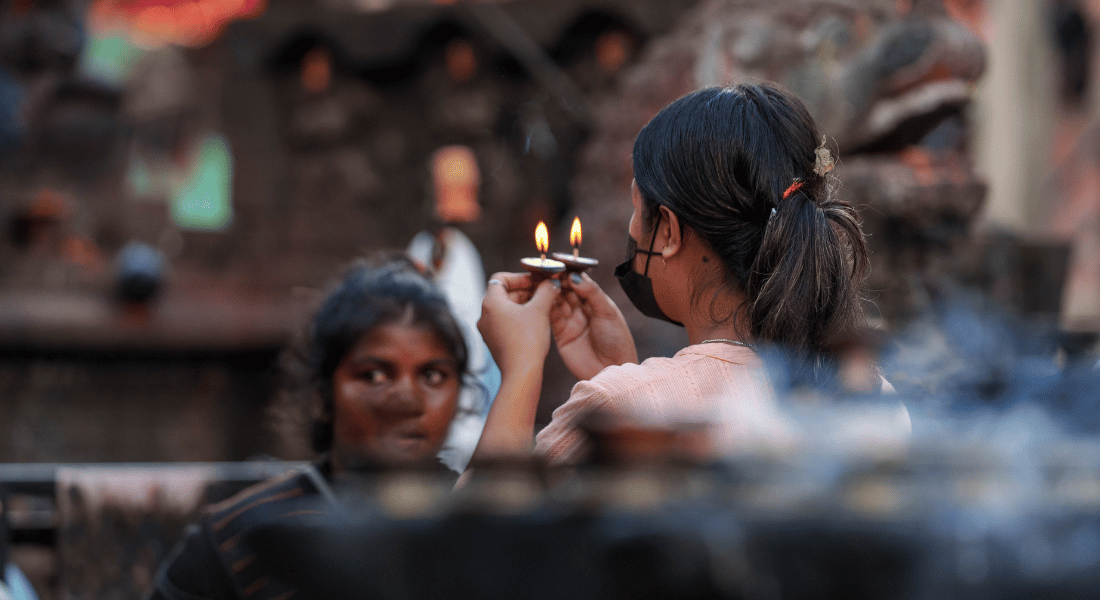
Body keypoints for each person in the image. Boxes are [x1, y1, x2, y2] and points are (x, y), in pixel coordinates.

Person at [473, 82, 911, 466]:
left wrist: (521, 369)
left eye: (635, 206)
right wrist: (625, 373)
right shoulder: (874, 397)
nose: (631, 228)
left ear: (666, 229)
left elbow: (471, 546)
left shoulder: (618, 411)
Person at [149, 255, 470, 600]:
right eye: (374, 375)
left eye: (432, 375)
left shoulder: (485, 523)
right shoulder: (237, 542)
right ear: (322, 396)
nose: (407, 400)